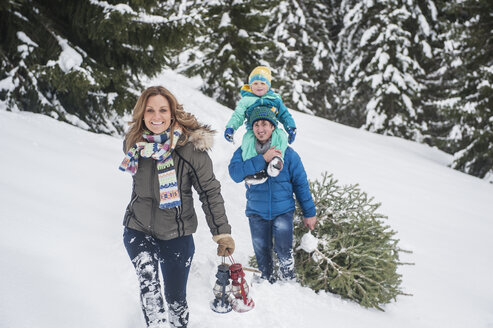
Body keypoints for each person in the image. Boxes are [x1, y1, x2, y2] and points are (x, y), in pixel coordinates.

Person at [119, 86, 235, 328]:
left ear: (172, 113)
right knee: (149, 286)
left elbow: (209, 191)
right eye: (150, 110)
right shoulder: (135, 144)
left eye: (162, 109)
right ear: (142, 113)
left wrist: (221, 232)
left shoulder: (190, 150)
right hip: (138, 228)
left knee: (175, 299)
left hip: (176, 234)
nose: (156, 116)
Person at [228, 105, 316, 283]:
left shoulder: (288, 154)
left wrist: (309, 213)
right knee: (262, 250)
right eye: (256, 125)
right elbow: (235, 173)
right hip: (256, 212)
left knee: (284, 250)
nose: (260, 129)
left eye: (265, 124)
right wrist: (263, 159)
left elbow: (300, 185)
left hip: (283, 211)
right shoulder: (244, 152)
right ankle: (266, 280)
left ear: (273, 126)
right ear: (251, 128)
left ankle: (288, 280)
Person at [224, 66, 297, 184]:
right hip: (253, 132)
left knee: (281, 136)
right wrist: (231, 127)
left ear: (268, 85)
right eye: (255, 83)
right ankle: (255, 173)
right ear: (250, 85)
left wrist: (290, 127)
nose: (259, 86)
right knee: (248, 139)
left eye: (262, 83)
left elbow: (284, 114)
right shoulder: (246, 100)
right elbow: (238, 115)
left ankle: (277, 161)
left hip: (272, 130)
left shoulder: (275, 99)